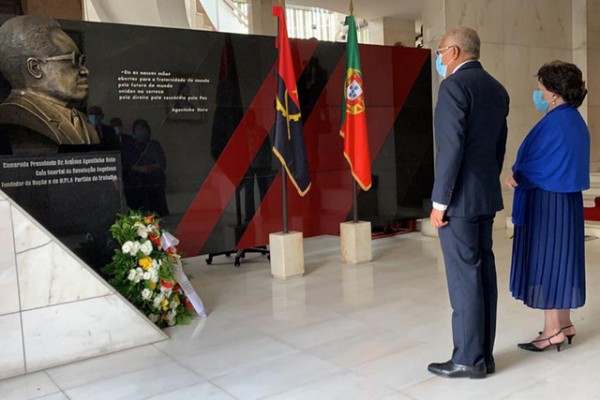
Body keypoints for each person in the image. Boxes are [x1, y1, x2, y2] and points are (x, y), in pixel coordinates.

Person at [427, 27, 509, 379]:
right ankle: (483, 356)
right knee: (483, 276)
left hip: (458, 202)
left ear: (456, 52)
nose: (439, 58)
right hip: (484, 197)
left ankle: (467, 359)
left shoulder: (454, 87)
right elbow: (498, 147)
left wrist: (439, 203)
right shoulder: (496, 89)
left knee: (464, 280)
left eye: (441, 51)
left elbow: (450, 150)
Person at [506, 60, 589, 352]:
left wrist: (519, 175)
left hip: (548, 202)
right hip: (565, 200)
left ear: (554, 92)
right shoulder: (573, 118)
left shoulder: (557, 120)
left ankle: (552, 330)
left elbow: (542, 161)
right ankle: (564, 323)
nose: (537, 92)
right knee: (563, 258)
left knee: (548, 260)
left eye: (540, 87)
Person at [0, 15, 99, 154]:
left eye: (82, 61)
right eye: (74, 61)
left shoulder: (83, 121)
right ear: (35, 68)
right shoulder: (13, 116)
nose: (85, 71)